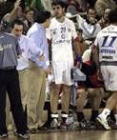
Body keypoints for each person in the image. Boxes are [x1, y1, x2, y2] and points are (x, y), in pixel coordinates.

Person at [0, 14, 29, 139]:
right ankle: (22, 131)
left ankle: (3, 132)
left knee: (0, 104)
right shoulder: (13, 38)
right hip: (13, 73)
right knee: (17, 103)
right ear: (0, 25)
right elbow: (19, 55)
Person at [46, 1, 81, 129]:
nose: (56, 10)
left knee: (67, 88)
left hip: (68, 60)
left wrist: (79, 57)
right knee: (55, 88)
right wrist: (47, 62)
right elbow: (47, 44)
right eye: (54, 8)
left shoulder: (70, 23)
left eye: (58, 8)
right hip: (56, 60)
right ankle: (54, 118)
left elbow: (75, 41)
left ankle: (65, 118)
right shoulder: (50, 23)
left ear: (63, 9)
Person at [11, 19, 45, 129]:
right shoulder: (7, 39)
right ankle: (9, 125)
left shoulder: (27, 40)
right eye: (16, 30)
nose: (18, 33)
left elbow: (37, 50)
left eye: (21, 30)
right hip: (9, 71)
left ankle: (20, 126)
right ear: (12, 29)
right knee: (9, 99)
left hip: (23, 72)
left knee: (23, 99)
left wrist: (41, 55)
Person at [93, 10, 117, 130]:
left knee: (113, 92)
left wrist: (98, 67)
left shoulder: (101, 32)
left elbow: (94, 50)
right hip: (115, 63)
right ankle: (104, 115)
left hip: (103, 64)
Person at [26, 10, 51, 132]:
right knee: (33, 96)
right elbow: (32, 53)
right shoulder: (35, 31)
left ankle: (38, 122)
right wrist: (43, 65)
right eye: (49, 19)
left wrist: (46, 64)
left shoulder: (42, 30)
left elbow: (43, 51)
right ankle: (31, 124)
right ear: (45, 20)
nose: (50, 21)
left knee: (41, 97)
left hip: (41, 67)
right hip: (34, 66)